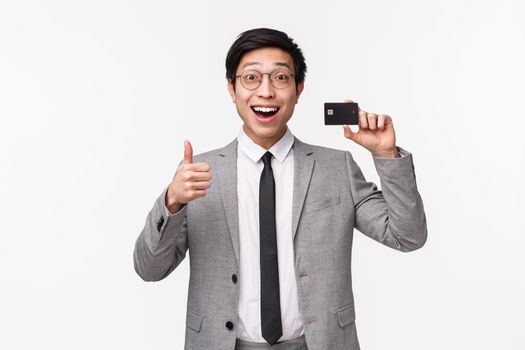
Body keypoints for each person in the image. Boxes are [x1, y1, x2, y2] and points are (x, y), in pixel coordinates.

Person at [133, 28, 427, 350]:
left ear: (299, 89)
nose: (266, 92)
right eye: (251, 78)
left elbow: (407, 236)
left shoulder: (336, 167)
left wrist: (386, 155)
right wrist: (172, 201)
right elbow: (150, 269)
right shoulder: (197, 175)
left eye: (281, 78)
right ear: (232, 88)